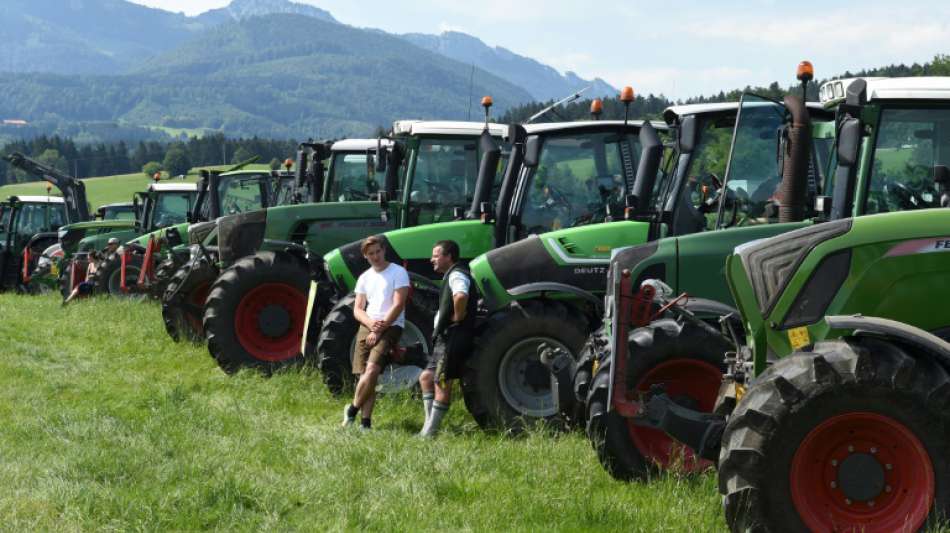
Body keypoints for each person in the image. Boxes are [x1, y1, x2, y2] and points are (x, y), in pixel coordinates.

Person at [342, 235, 409, 430]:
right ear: (365, 256)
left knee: (372, 370)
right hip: (369, 324)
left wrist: (380, 329)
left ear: (384, 250)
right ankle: (365, 424)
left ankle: (351, 410)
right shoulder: (364, 277)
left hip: (391, 325)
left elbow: (398, 304)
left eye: (378, 251)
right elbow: (358, 309)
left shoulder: (398, 272)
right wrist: (371, 325)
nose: (376, 256)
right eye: (371, 253)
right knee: (364, 375)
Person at [418, 239, 476, 437]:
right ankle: (429, 426)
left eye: (436, 255)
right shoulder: (451, 274)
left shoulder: (457, 274)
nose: (431, 259)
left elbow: (461, 295)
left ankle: (430, 433)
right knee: (426, 377)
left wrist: (458, 316)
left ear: (448, 256)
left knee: (442, 382)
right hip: (445, 337)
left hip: (453, 336)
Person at [62, 238, 120, 306]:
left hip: (101, 279)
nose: (109, 246)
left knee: (80, 287)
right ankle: (69, 301)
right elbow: (99, 258)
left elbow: (102, 265)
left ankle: (68, 301)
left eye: (111, 244)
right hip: (94, 281)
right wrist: (104, 250)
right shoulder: (104, 254)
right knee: (80, 287)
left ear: (116, 245)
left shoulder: (118, 253)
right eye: (109, 244)